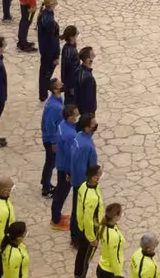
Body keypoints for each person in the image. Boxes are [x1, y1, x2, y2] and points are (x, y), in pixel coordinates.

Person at [69, 114, 100, 245]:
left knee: (76, 208)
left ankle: (74, 235)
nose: (96, 125)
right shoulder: (87, 146)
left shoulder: (78, 137)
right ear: (87, 127)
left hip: (76, 178)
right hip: (83, 183)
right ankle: (78, 238)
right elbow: (90, 168)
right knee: (81, 211)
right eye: (93, 123)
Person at [51, 102, 80, 230]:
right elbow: (70, 156)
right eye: (76, 115)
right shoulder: (70, 135)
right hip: (65, 168)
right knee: (62, 193)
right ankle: (56, 220)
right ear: (70, 117)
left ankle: (57, 215)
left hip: (60, 163)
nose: (77, 116)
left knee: (60, 192)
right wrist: (70, 173)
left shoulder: (62, 125)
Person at [74, 164, 104, 278]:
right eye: (100, 174)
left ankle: (78, 273)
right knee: (85, 258)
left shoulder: (83, 186)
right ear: (94, 178)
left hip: (82, 227)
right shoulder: (92, 198)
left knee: (81, 254)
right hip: (90, 230)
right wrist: (92, 238)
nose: (101, 175)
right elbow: (88, 219)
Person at [41, 78, 65, 197]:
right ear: (55, 90)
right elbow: (50, 125)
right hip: (51, 140)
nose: (63, 85)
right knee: (50, 163)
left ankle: (45, 181)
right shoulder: (54, 107)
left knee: (50, 162)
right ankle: (46, 187)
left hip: (51, 138)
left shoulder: (57, 100)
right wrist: (54, 142)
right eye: (60, 85)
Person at [36, 0, 60, 101]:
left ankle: (43, 93)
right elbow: (53, 40)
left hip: (44, 48)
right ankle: (43, 93)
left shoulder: (42, 15)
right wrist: (56, 55)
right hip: (49, 51)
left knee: (43, 72)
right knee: (46, 73)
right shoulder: (49, 21)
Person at [98, 203, 126, 278]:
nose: (122, 215)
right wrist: (119, 275)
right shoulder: (114, 237)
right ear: (115, 217)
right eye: (121, 213)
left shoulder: (103, 226)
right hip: (109, 272)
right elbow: (115, 258)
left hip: (101, 266)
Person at [60, 26, 81, 105]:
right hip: (71, 83)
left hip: (70, 82)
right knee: (70, 104)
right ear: (71, 37)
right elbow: (70, 70)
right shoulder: (70, 51)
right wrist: (72, 86)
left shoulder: (68, 47)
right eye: (76, 34)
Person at [74, 47, 98, 117]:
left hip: (80, 107)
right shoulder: (88, 78)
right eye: (92, 55)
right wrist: (91, 113)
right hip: (87, 112)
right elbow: (89, 98)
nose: (94, 56)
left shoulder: (78, 70)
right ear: (88, 60)